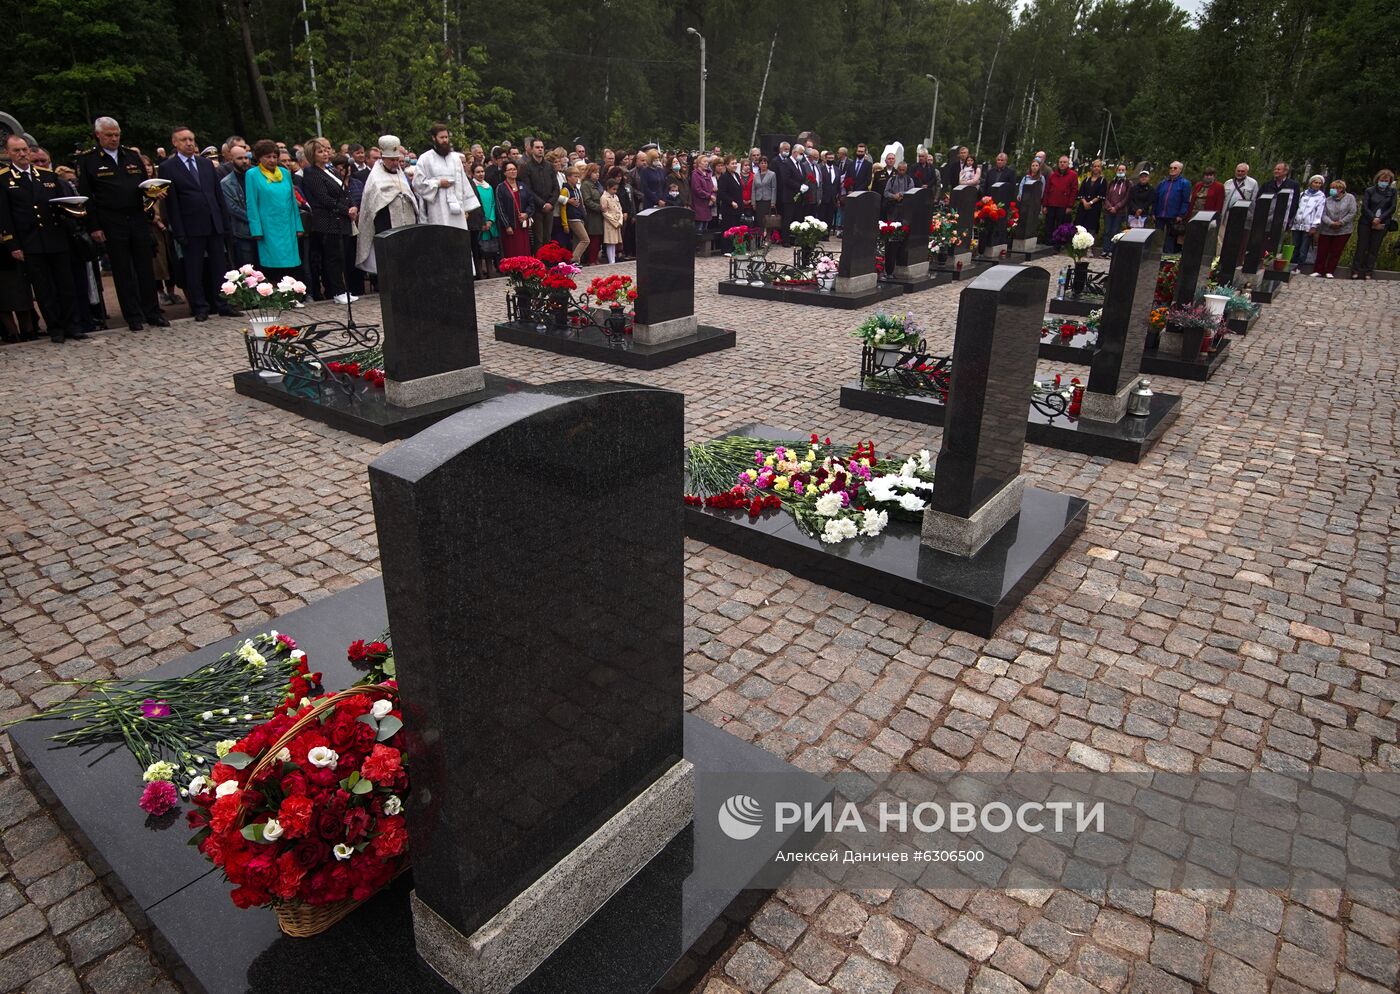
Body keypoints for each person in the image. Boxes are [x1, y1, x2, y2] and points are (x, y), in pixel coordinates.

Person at [74, 116, 168, 330]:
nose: (114, 139)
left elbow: (146, 187)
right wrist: (94, 226)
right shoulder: (88, 160)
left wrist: (153, 198)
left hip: (137, 217)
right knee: (123, 270)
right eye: (109, 135)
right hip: (111, 219)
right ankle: (133, 316)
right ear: (98, 135)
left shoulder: (132, 156)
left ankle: (152, 312)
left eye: (116, 134)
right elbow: (87, 195)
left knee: (145, 267)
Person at [0, 135, 83, 342]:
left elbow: (60, 205)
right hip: (30, 241)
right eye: (17, 151)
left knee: (66, 285)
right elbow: (4, 215)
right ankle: (55, 328)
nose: (22, 154)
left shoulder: (46, 176)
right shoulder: (3, 179)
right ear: (8, 154)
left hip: (54, 236)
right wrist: (13, 244)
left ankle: (72, 325)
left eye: (24, 150)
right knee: (44, 289)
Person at [158, 126, 238, 321]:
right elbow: (172, 203)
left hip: (213, 223)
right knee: (194, 269)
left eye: (191, 139)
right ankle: (200, 307)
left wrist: (224, 223)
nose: (189, 143)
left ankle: (223, 304)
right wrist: (178, 230)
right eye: (184, 139)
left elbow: (217, 195)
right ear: (175, 143)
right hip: (190, 226)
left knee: (220, 267)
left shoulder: (205, 164)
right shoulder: (168, 167)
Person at [414, 124, 481, 272]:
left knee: (459, 240)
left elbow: (462, 181)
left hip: (456, 208)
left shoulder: (455, 158)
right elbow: (418, 183)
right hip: (437, 208)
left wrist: (466, 207)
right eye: (441, 137)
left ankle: (462, 271)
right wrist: (437, 183)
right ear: (434, 138)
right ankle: (442, 272)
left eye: (446, 137)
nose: (445, 140)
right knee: (440, 240)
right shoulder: (425, 159)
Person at [300, 137, 355, 302]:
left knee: (342, 256)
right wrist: (346, 210)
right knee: (333, 257)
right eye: (320, 151)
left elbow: (344, 190)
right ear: (312, 154)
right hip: (328, 221)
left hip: (342, 219)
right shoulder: (311, 173)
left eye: (326, 150)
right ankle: (337, 291)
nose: (325, 153)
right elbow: (324, 198)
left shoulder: (330, 170)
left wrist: (353, 206)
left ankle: (343, 289)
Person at [245, 139, 306, 286]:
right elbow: (251, 204)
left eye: (274, 156)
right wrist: (256, 229)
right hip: (268, 227)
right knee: (272, 262)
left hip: (288, 225)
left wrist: (298, 226)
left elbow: (292, 201)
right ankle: (275, 296)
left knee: (291, 262)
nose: (272, 160)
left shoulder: (284, 173)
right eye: (268, 157)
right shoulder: (252, 174)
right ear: (259, 157)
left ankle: (292, 294)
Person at [355, 136, 420, 276]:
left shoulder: (400, 174)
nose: (395, 163)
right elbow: (372, 203)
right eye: (392, 160)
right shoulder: (375, 177)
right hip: (386, 223)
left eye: (397, 160)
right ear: (383, 158)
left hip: (406, 221)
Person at [1351, 169, 1395, 280]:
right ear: (1377, 179)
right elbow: (1365, 207)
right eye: (1382, 180)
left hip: (1382, 223)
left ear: (1389, 181)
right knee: (1362, 246)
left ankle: (1368, 271)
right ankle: (1356, 270)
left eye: (1386, 180)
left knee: (1374, 248)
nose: (1384, 181)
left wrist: (1380, 218)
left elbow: (1392, 207)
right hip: (1366, 222)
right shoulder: (1369, 190)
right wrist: (1373, 218)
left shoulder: (1392, 192)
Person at [219, 143, 257, 269]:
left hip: (263, 230)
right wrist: (255, 219)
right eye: (240, 159)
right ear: (231, 159)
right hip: (243, 232)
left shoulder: (256, 177)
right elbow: (232, 208)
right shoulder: (226, 183)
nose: (244, 161)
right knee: (248, 270)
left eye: (246, 158)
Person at [1311, 179, 1355, 279]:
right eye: (1332, 188)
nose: (1332, 190)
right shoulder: (1327, 200)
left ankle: (1330, 271)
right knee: (1322, 251)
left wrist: (1341, 222)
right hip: (1327, 230)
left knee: (1336, 251)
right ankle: (1318, 270)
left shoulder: (1350, 198)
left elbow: (1352, 212)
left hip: (1343, 230)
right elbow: (1323, 213)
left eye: (1334, 188)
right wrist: (1330, 223)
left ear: (1341, 189)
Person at [494, 159, 535, 260]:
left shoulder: (523, 186)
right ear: (505, 172)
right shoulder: (501, 188)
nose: (513, 171)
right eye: (510, 170)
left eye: (514, 169)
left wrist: (527, 214)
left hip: (523, 225)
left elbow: (531, 203)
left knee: (524, 249)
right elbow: (500, 208)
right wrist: (507, 225)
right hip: (511, 227)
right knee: (512, 251)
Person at [522, 138, 557, 251]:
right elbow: (528, 189)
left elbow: (556, 187)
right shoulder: (527, 167)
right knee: (538, 238)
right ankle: (539, 265)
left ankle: (548, 262)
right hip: (537, 208)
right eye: (537, 147)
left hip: (550, 207)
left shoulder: (549, 166)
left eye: (542, 147)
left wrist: (551, 203)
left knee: (548, 237)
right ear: (531, 149)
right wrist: (542, 204)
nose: (540, 150)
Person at [1153, 161, 1192, 252]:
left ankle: (1167, 259)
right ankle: (1155, 255)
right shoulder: (1162, 183)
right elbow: (1156, 198)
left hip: (1173, 215)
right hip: (1160, 214)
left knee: (1170, 238)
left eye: (1175, 168)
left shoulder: (1185, 183)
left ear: (1180, 170)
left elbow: (1185, 200)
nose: (1172, 170)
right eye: (1171, 168)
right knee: (1157, 236)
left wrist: (1181, 214)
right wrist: (1153, 212)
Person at [468, 163, 498, 278]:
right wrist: (482, 221)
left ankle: (491, 274)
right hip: (479, 222)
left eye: (482, 171)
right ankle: (480, 274)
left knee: (490, 250)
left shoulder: (489, 187)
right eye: (478, 172)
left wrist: (491, 220)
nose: (481, 174)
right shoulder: (473, 187)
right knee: (479, 250)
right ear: (473, 174)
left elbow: (492, 204)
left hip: (490, 223)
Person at [1290, 175, 1326, 269]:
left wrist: (1314, 225)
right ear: (1311, 183)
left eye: (1319, 183)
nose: (1317, 184)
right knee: (1295, 245)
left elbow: (1319, 212)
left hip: (1308, 225)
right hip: (1297, 223)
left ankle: (1299, 266)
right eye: (1315, 182)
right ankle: (1292, 264)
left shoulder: (1321, 197)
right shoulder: (1303, 194)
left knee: (1303, 247)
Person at [1260, 161, 1301, 232]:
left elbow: (1294, 203)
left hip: (1282, 220)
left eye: (1278, 169)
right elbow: (1259, 200)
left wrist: (1289, 218)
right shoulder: (1267, 184)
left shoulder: (1293, 185)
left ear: (1285, 171)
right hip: (1266, 220)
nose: (1276, 171)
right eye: (1275, 169)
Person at [1075, 160, 1107, 250]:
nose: (1096, 168)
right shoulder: (1087, 179)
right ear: (1092, 168)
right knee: (1081, 226)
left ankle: (1089, 248)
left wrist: (1091, 202)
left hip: (1094, 207)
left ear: (1101, 168)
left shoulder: (1102, 181)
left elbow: (1101, 195)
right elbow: (1081, 193)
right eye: (1095, 166)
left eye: (1098, 166)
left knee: (1091, 227)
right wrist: (1084, 202)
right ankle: (1079, 247)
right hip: (1083, 206)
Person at [1043, 155, 1078, 234]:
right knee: (1049, 224)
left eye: (1064, 162)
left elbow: (1074, 191)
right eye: (1060, 162)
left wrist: (1070, 206)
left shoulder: (1073, 175)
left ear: (1068, 163)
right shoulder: (1053, 175)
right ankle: (1048, 240)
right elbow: (1047, 190)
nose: (1062, 164)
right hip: (1051, 204)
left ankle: (1058, 243)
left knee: (1060, 226)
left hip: (1063, 205)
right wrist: (1045, 205)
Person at [561, 164, 589, 263]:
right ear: (568, 177)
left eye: (578, 176)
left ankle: (576, 261)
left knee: (577, 241)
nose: (577, 179)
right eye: (575, 176)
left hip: (579, 216)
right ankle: (575, 259)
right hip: (573, 218)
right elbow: (562, 206)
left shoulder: (576, 189)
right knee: (585, 240)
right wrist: (565, 224)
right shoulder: (565, 189)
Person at [1102, 164, 1131, 256]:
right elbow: (1105, 196)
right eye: (1119, 169)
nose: (1121, 171)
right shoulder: (1112, 182)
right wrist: (1109, 206)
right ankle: (1105, 249)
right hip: (1108, 210)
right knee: (1107, 231)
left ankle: (1111, 250)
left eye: (1123, 170)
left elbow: (1127, 198)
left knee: (1115, 231)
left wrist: (1116, 207)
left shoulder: (1127, 183)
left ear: (1125, 171)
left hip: (1119, 212)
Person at [580, 162, 604, 264]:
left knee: (598, 238)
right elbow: (587, 201)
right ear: (589, 173)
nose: (597, 174)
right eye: (595, 172)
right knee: (593, 237)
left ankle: (595, 258)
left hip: (600, 215)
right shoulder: (586, 185)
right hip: (592, 215)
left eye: (598, 172)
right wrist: (599, 207)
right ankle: (591, 259)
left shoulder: (598, 184)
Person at [751, 156, 777, 238]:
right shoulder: (756, 175)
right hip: (759, 201)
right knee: (759, 221)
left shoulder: (772, 174)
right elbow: (753, 189)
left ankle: (768, 238)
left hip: (768, 200)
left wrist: (773, 202)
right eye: (761, 163)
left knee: (768, 221)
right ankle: (760, 238)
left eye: (765, 163)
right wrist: (753, 202)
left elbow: (774, 188)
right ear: (759, 164)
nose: (763, 165)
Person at [600, 177, 624, 264]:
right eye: (613, 189)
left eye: (616, 189)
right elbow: (605, 212)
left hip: (617, 222)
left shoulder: (615, 197)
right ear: (608, 187)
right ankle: (611, 260)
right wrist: (614, 221)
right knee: (610, 242)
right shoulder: (604, 197)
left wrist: (620, 220)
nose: (615, 191)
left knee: (615, 241)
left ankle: (613, 258)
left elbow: (620, 209)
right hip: (610, 223)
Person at [690, 154, 716, 234]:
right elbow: (697, 190)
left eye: (707, 162)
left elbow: (713, 188)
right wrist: (709, 196)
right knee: (699, 230)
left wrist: (713, 196)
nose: (706, 163)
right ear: (699, 163)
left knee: (705, 231)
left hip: (708, 206)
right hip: (699, 206)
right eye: (704, 161)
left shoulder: (708, 174)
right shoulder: (695, 174)